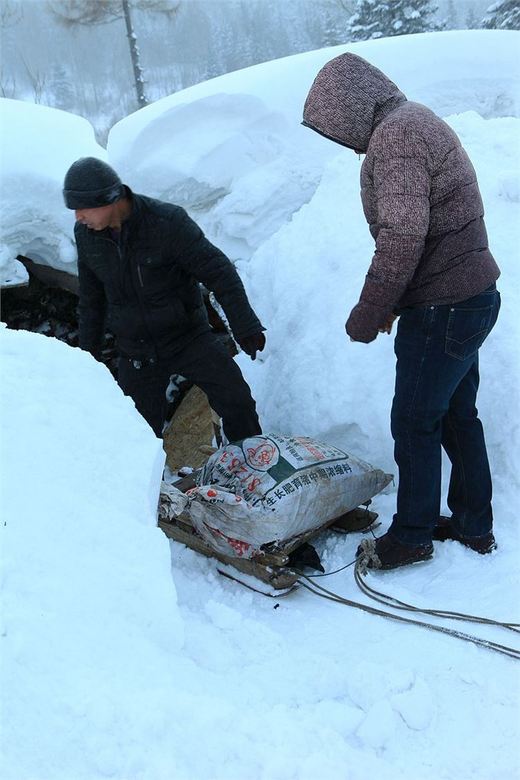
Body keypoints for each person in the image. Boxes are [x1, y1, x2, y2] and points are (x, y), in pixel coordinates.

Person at [303, 53, 500, 570]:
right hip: (469, 298)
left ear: (348, 110)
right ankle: (473, 525)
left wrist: (368, 311)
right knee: (457, 416)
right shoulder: (413, 120)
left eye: (335, 128)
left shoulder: (397, 138)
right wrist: (398, 301)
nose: (342, 142)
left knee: (414, 421)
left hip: (444, 307)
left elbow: (403, 237)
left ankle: (412, 537)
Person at [63, 157, 265, 441]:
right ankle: (147, 485)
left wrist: (245, 326)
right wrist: (88, 359)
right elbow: (91, 302)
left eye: (82, 208)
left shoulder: (167, 223)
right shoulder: (87, 236)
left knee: (238, 401)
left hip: (187, 337)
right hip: (135, 351)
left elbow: (218, 271)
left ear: (108, 199)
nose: (78, 217)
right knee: (136, 434)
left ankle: (249, 464)